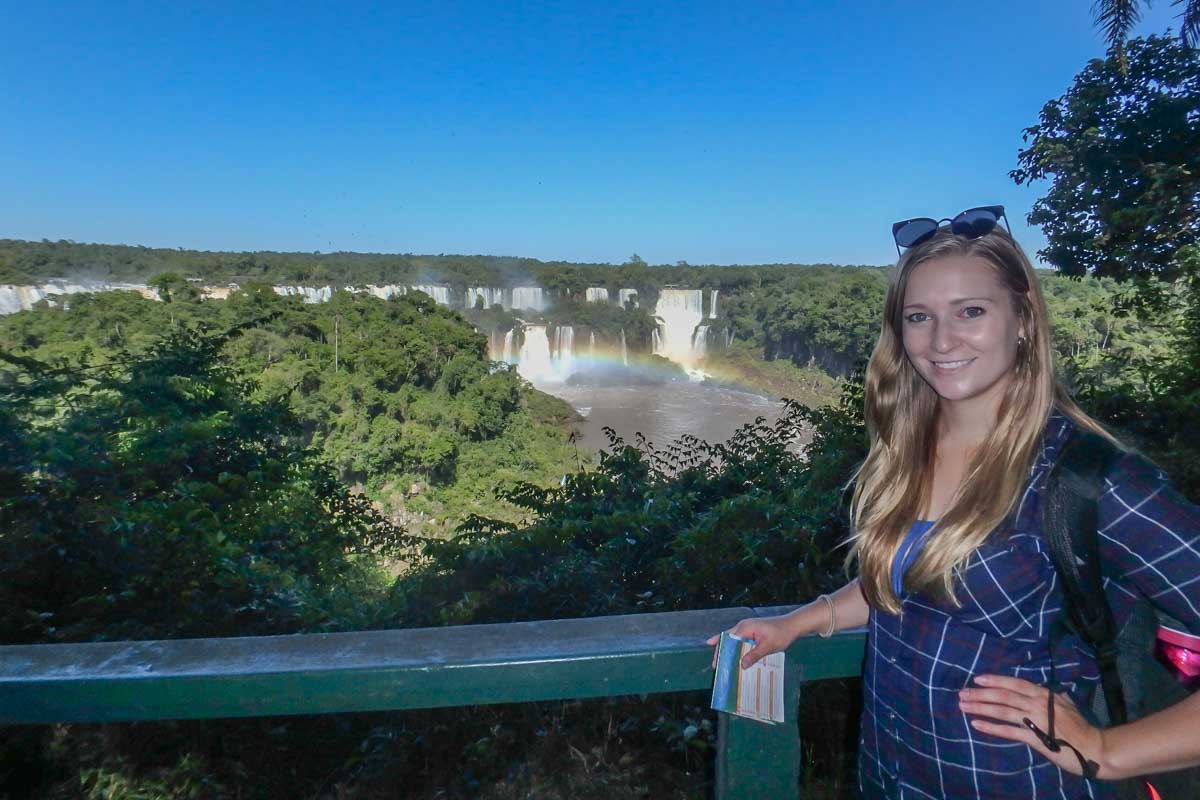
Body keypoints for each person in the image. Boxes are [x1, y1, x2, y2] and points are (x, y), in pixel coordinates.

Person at [709, 207, 1200, 799]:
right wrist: (797, 623)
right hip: (889, 773)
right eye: (920, 317)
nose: (941, 341)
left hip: (1015, 783)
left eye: (971, 311)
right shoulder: (907, 449)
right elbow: (910, 584)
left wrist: (1106, 751)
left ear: (1022, 318)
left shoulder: (1090, 479)